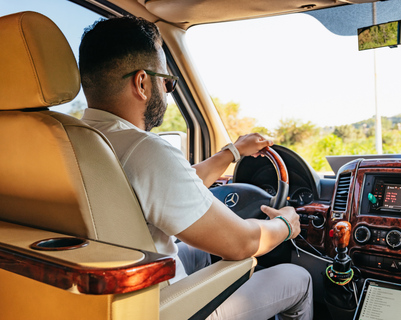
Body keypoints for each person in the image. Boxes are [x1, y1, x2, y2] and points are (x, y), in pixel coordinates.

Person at [79, 16, 313, 320]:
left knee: (202, 251)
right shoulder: (144, 149)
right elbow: (242, 242)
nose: (167, 90)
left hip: (101, 297)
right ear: (142, 83)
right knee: (297, 278)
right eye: (167, 81)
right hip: (162, 308)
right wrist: (284, 225)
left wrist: (233, 152)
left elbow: (173, 186)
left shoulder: (68, 141)